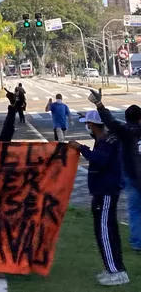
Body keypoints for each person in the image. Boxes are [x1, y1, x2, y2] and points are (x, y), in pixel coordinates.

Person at [78, 110, 129, 286]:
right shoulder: (104, 139)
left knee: (105, 233)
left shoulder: (107, 141)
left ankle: (115, 271)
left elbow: (100, 160)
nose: (87, 127)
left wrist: (80, 148)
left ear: (92, 125)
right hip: (103, 191)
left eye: (88, 124)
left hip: (106, 192)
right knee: (109, 232)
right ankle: (114, 268)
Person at [91, 90, 141, 253]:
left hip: (132, 175)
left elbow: (110, 122)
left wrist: (99, 105)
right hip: (132, 174)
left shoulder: (126, 131)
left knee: (134, 210)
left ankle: (137, 242)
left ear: (126, 119)